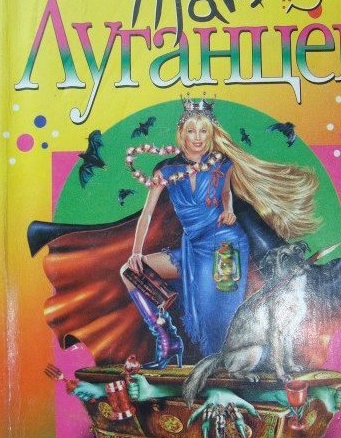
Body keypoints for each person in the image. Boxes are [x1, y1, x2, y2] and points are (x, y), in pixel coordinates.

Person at [121, 94, 319, 368]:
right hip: (192, 248)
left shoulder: (221, 163)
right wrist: (136, 252)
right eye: (192, 131)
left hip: (225, 244)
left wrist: (229, 209)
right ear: (182, 133)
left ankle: (231, 369)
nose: (198, 138)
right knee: (130, 272)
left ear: (211, 133)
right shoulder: (165, 169)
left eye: (204, 131)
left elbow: (225, 193)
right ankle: (167, 340)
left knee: (216, 317)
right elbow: (147, 213)